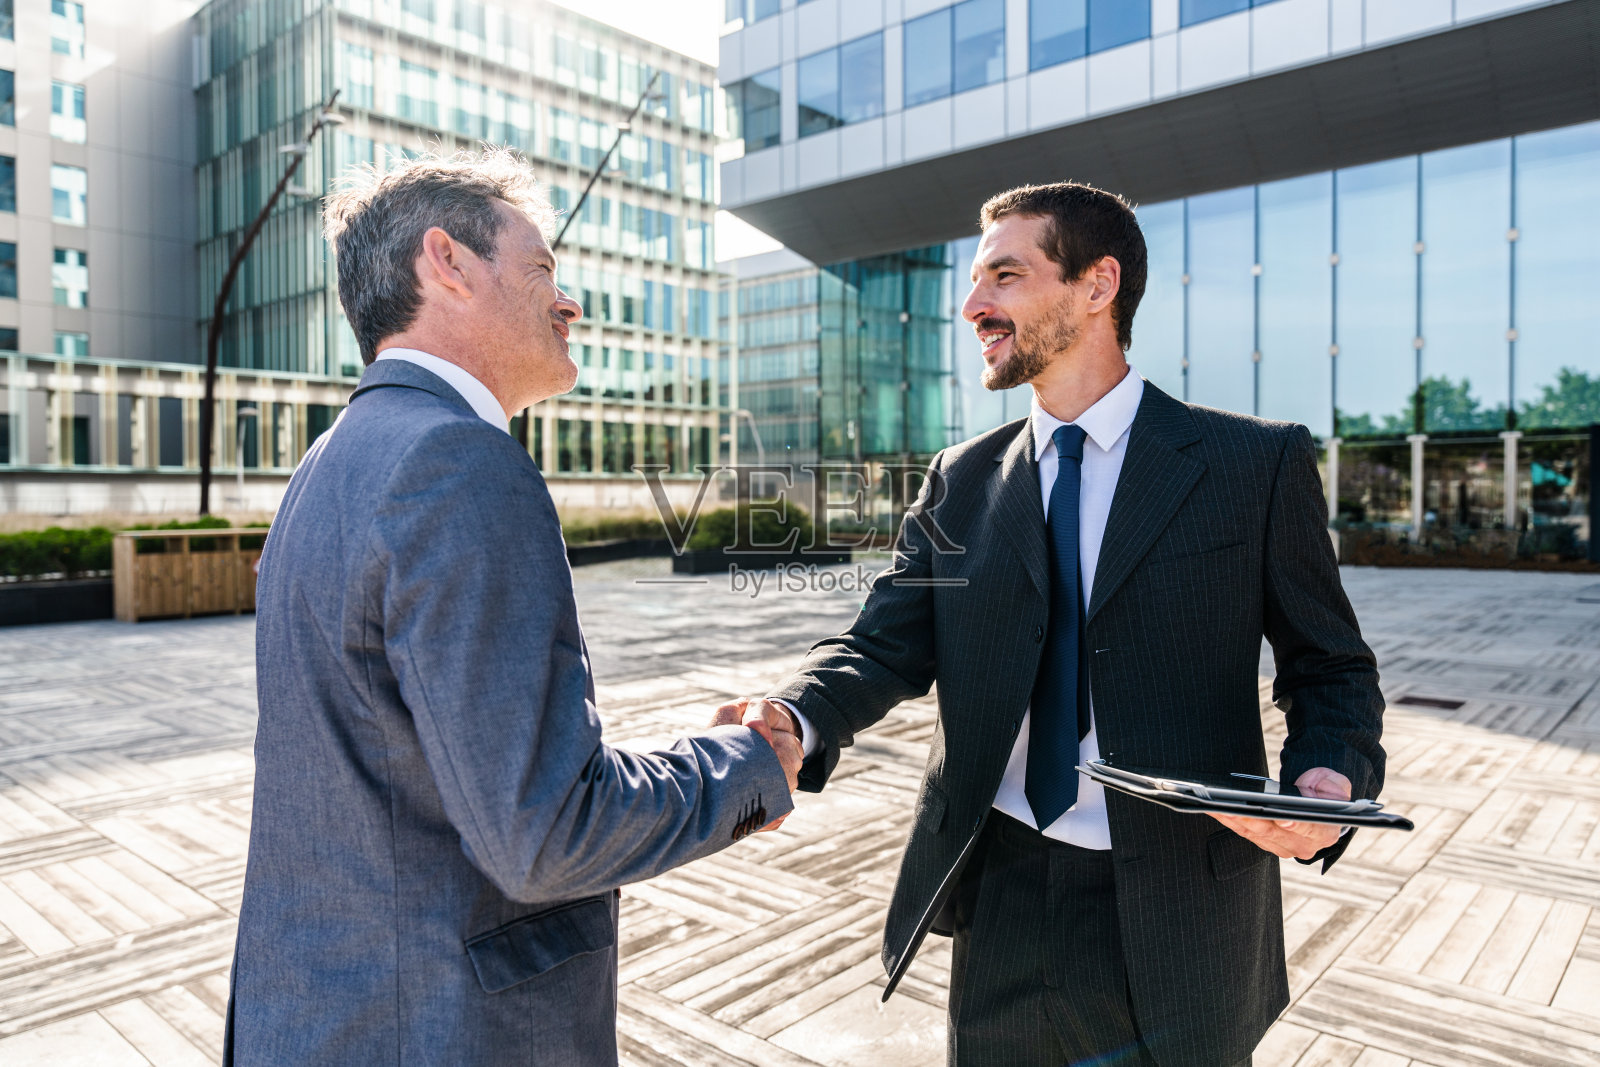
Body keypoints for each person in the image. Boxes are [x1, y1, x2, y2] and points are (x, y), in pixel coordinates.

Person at [748, 182, 1385, 1066]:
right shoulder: (959, 478)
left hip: (1177, 906)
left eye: (1006, 276)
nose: (974, 305)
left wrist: (1327, 776)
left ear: (1098, 285)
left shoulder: (1253, 463)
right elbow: (883, 646)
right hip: (998, 885)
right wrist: (796, 714)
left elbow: (1332, 666)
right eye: (975, 283)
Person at [225, 150, 803, 1066]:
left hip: (326, 1020)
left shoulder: (331, 462)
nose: (569, 304)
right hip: (443, 1033)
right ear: (447, 262)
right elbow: (545, 833)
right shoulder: (458, 462)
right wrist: (745, 765)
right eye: (543, 270)